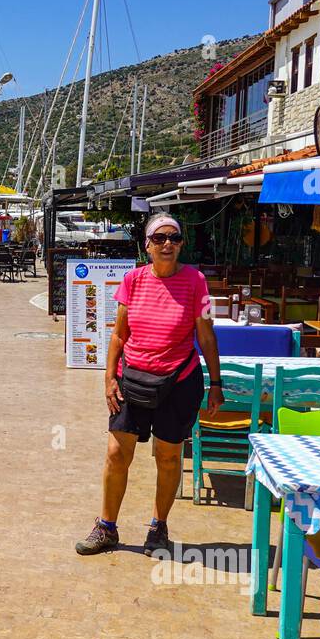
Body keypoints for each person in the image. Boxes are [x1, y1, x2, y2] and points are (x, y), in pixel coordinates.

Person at [76, 213, 223, 556]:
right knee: (116, 453)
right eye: (160, 239)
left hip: (180, 380)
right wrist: (109, 377)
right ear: (148, 245)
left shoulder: (196, 281)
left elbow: (206, 334)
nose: (167, 244)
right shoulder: (133, 280)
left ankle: (159, 527)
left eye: (174, 238)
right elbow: (118, 334)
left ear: (181, 244)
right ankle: (106, 527)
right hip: (133, 379)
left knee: (169, 457)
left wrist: (216, 383)